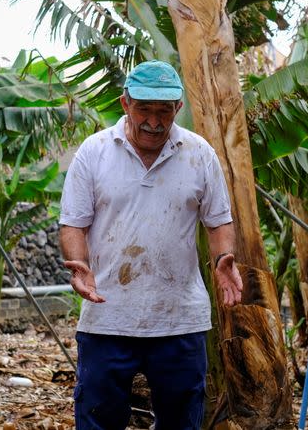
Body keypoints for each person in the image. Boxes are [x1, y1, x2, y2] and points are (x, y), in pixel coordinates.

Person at [59, 60, 243, 430]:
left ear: (178, 108)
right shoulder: (94, 153)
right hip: (107, 316)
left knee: (181, 421)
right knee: (97, 419)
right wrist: (78, 264)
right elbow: (73, 224)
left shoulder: (199, 153)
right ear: (125, 103)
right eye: (145, 110)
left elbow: (218, 220)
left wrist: (224, 258)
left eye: (164, 112)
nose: (155, 123)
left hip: (180, 320)